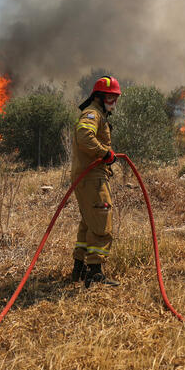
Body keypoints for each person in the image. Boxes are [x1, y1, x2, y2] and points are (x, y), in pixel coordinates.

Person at [71, 76, 121, 288]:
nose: (113, 102)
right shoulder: (92, 113)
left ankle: (79, 268)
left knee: (88, 222)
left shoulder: (98, 113)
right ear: (99, 96)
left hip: (88, 176)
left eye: (115, 98)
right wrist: (105, 153)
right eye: (110, 97)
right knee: (101, 222)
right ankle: (94, 273)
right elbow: (84, 136)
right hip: (91, 177)